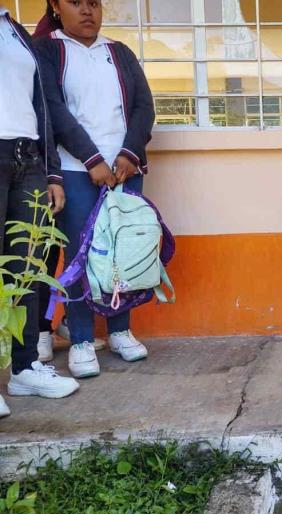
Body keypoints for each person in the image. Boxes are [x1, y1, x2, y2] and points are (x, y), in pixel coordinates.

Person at [35, 0, 155, 379]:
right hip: (75, 171)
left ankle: (120, 331)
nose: (87, 11)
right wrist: (92, 160)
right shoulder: (47, 50)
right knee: (80, 257)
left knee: (123, 249)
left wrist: (128, 155)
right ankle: (83, 339)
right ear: (56, 6)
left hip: (124, 169)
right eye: (76, 3)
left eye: (94, 3)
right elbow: (53, 110)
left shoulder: (119, 53)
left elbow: (143, 107)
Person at [0, 3, 79, 418]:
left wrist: (52, 172)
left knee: (26, 266)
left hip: (25, 156)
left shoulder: (14, 31)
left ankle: (26, 366)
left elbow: (40, 105)